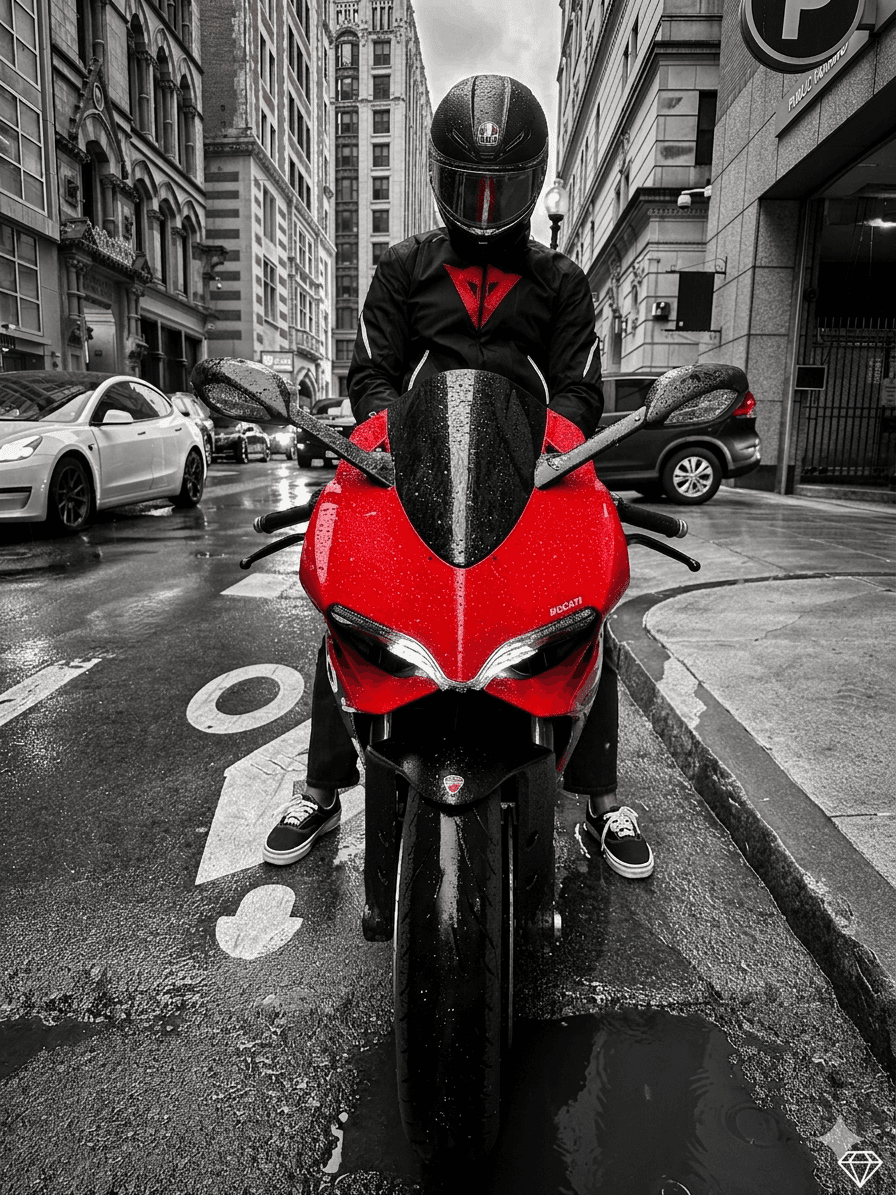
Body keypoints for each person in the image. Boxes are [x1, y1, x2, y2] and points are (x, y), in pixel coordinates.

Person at [263, 74, 654, 881]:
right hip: (416, 464)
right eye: (465, 186)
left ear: (533, 183)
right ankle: (322, 785)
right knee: (349, 610)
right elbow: (372, 374)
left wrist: (561, 440)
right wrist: (380, 436)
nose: (482, 205)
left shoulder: (562, 283)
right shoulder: (404, 268)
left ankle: (602, 799)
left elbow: (578, 383)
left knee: (583, 613)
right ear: (441, 181)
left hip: (532, 471)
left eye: (500, 187)